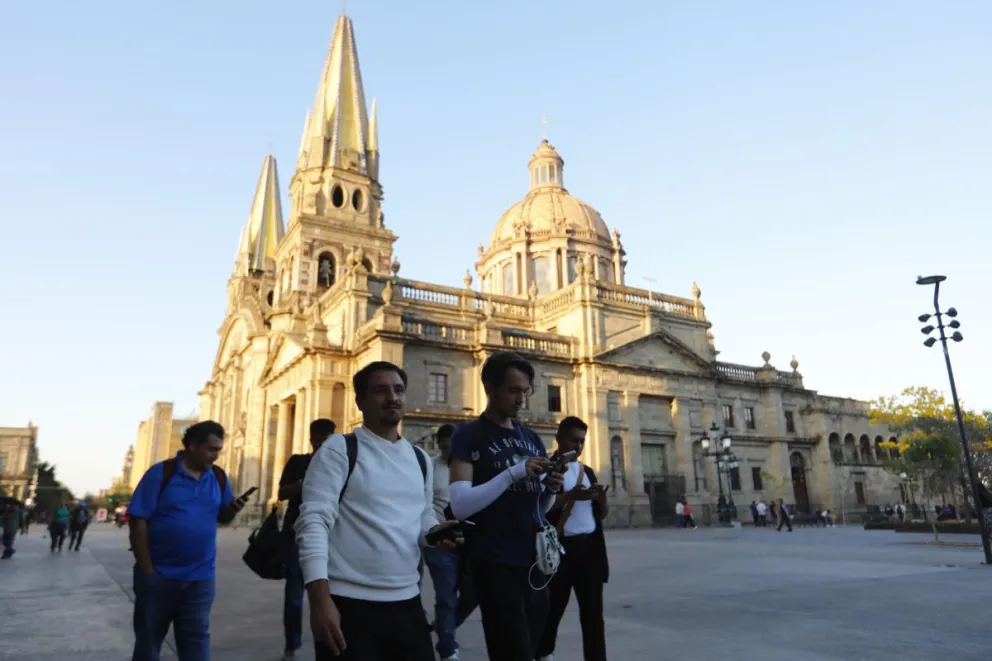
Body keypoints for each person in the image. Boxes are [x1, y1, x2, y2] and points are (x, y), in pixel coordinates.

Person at [297, 361, 457, 661]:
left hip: (407, 602)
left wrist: (434, 533)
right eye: (381, 390)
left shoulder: (420, 459)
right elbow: (313, 523)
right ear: (360, 401)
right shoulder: (339, 449)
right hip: (349, 604)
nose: (392, 397)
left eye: (398, 390)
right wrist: (320, 601)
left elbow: (421, 516)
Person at [448, 351, 565, 661]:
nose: (521, 399)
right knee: (512, 651)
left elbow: (538, 503)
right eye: (513, 390)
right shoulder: (469, 436)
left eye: (525, 391)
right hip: (495, 561)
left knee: (534, 646)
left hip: (535, 561)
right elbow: (459, 505)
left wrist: (550, 489)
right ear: (490, 388)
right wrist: (512, 473)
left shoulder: (532, 438)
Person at [127, 420, 249, 661]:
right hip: (159, 577)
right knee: (149, 643)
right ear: (192, 445)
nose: (215, 456)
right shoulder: (161, 474)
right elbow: (138, 519)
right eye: (211, 449)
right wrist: (147, 569)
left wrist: (233, 509)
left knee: (196, 642)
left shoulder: (218, 477)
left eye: (218, 451)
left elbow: (222, 517)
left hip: (200, 579)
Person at [537, 416, 610, 661]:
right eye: (574, 440)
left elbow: (601, 513)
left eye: (582, 441)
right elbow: (540, 507)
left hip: (590, 549)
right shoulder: (548, 469)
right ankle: (544, 653)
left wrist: (600, 499)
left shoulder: (587, 471)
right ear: (559, 439)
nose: (579, 447)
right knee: (553, 609)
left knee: (593, 614)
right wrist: (570, 496)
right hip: (561, 551)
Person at [276, 418, 336, 661]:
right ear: (311, 440)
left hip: (331, 536)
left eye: (327, 440)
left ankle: (331, 641)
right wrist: (305, 482)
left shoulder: (338, 464)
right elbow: (281, 493)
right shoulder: (298, 462)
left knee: (330, 595)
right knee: (294, 595)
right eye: (319, 440)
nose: (323, 446)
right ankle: (292, 644)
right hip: (296, 535)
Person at [424, 423, 477, 661]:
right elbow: (422, 504)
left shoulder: (471, 467)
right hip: (441, 542)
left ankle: (445, 625)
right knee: (445, 596)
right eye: (442, 447)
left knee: (473, 592)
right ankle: (448, 649)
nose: (446, 452)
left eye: (450, 447)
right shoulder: (431, 468)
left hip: (469, 541)